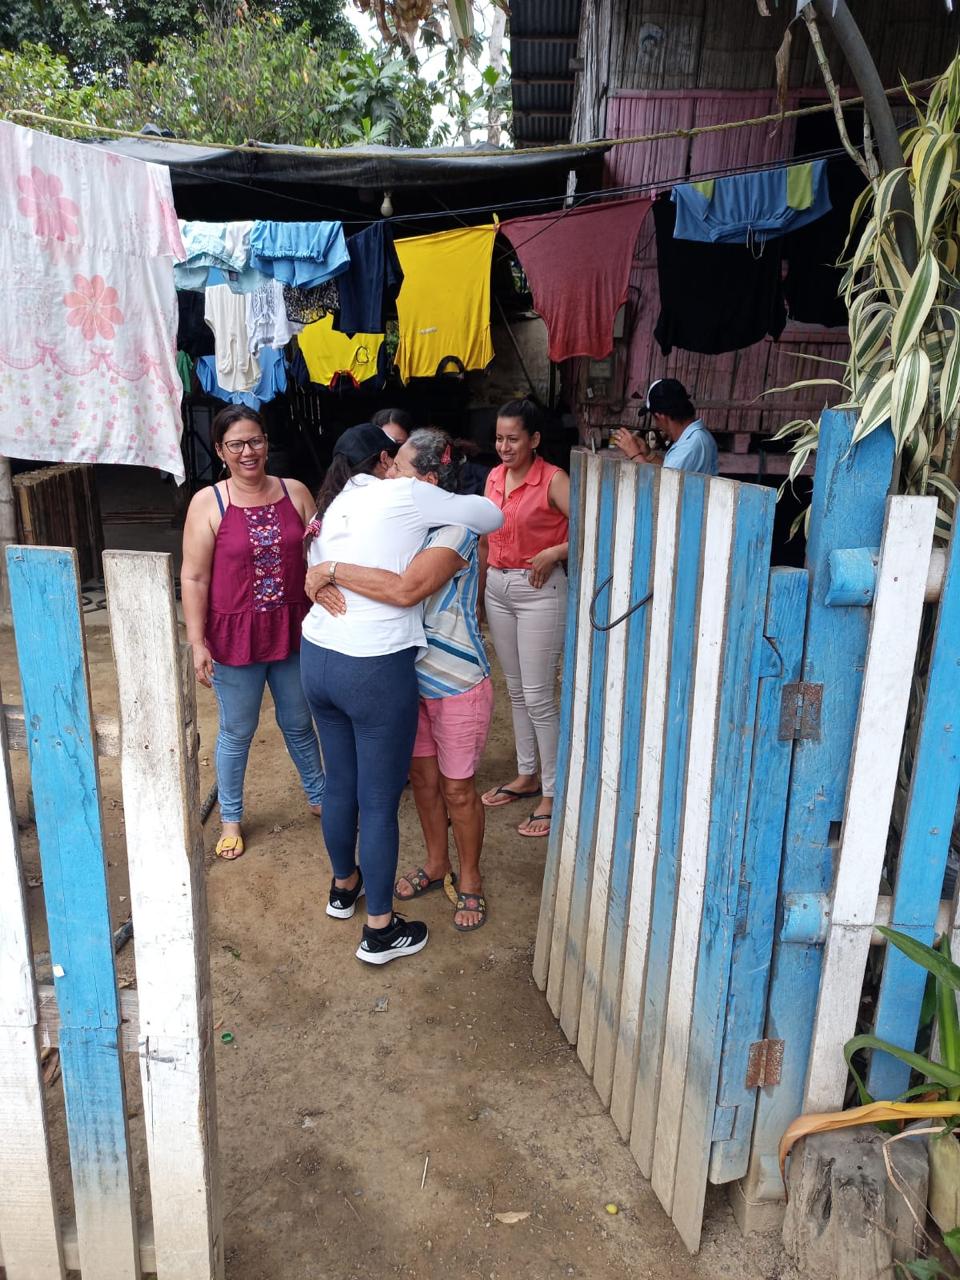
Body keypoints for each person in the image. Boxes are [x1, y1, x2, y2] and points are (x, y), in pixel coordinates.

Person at [300, 423, 503, 964]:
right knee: (378, 799)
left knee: (346, 784)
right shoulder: (397, 497)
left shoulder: (342, 499)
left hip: (325, 656)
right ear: (382, 461)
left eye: (404, 463)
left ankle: (345, 888)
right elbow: (490, 514)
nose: (395, 470)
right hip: (377, 667)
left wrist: (328, 571)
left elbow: (401, 585)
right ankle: (380, 930)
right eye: (392, 459)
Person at [181, 405, 326, 861]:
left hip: (293, 631)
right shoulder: (209, 502)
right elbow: (194, 577)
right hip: (234, 637)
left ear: (266, 442)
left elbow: (322, 555)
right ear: (220, 451)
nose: (248, 452)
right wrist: (197, 642)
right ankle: (231, 818)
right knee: (237, 730)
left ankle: (321, 798)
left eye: (255, 440)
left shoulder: (295, 492)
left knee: (299, 722)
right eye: (236, 444)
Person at [481, 399, 570, 838]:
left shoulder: (554, 479)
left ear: (534, 439)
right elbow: (485, 535)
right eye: (499, 438)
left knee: (538, 696)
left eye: (513, 439)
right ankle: (527, 774)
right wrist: (480, 588)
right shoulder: (494, 477)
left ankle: (552, 794)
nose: (504, 447)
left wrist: (555, 552)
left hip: (540, 591)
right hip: (498, 587)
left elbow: (592, 525)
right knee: (516, 691)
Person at [610, 378, 719, 475]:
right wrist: (648, 454)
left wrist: (635, 454)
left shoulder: (690, 445)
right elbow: (670, 472)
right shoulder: (695, 437)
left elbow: (663, 485)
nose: (657, 425)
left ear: (660, 417)